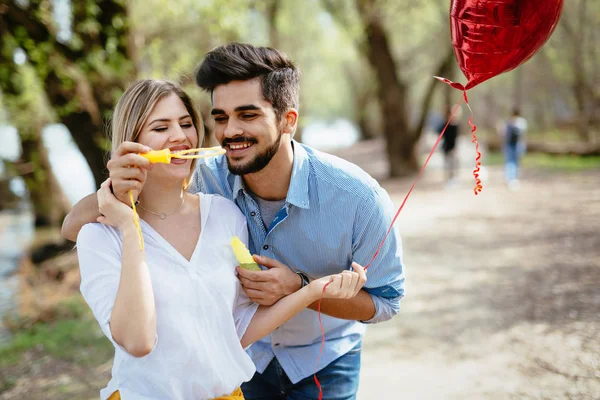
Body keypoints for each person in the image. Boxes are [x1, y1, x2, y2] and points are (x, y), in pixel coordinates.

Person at [63, 43, 405, 400]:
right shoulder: (202, 177)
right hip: (244, 364)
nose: (230, 132)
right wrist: (116, 189)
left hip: (320, 360)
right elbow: (74, 226)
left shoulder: (357, 197)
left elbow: (386, 302)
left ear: (288, 120)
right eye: (221, 118)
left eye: (248, 115)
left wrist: (302, 286)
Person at [502, 108, 528, 190]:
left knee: (515, 162)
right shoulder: (509, 122)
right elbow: (505, 134)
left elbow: (522, 134)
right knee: (510, 162)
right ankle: (510, 178)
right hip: (510, 145)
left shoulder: (520, 122)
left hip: (517, 145)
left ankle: (513, 178)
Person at [437, 105, 462, 187]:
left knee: (454, 164)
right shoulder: (446, 124)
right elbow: (439, 132)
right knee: (448, 165)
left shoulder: (456, 125)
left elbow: (456, 137)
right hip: (447, 148)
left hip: (454, 149)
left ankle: (454, 179)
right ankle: (448, 180)